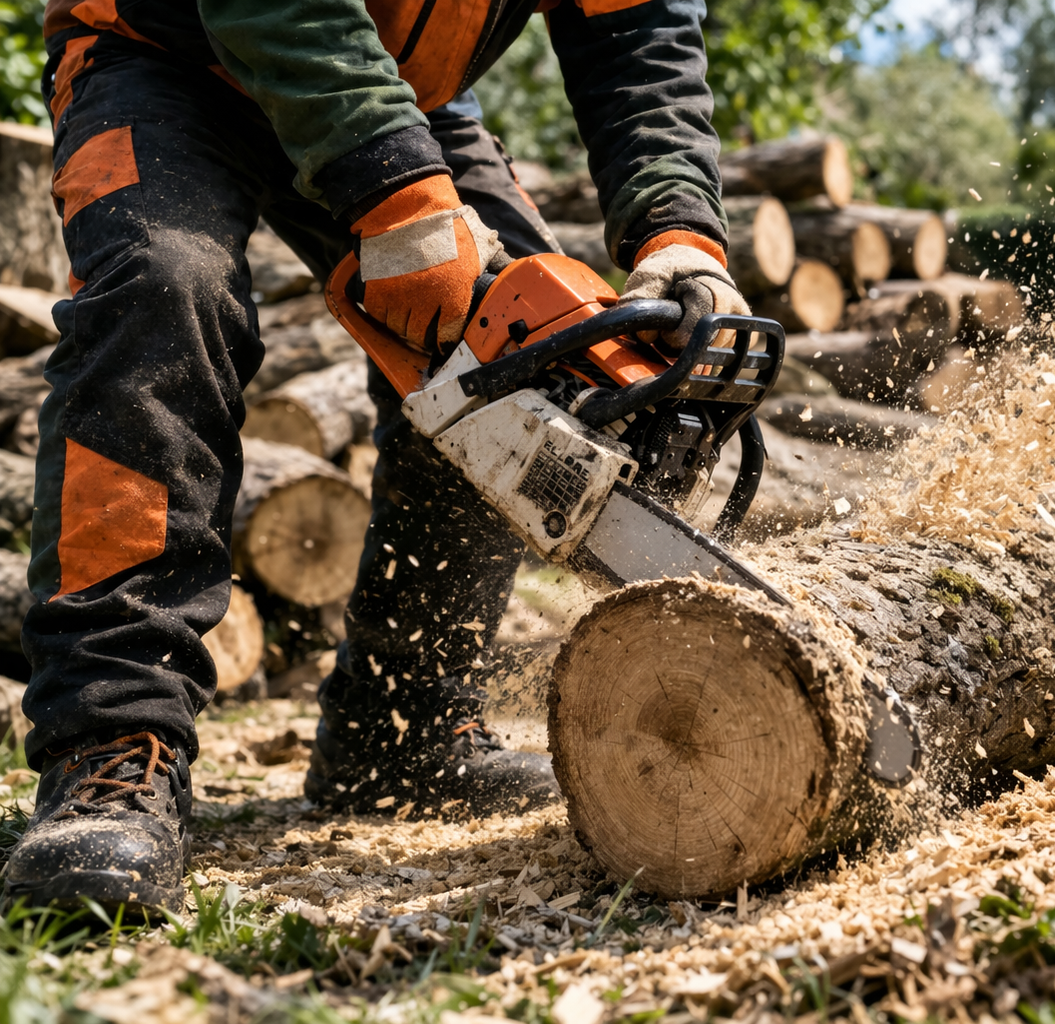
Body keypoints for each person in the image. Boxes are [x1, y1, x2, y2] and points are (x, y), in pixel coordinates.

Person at [2, 0, 748, 914]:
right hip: (162, 53)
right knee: (160, 290)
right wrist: (396, 194)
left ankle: (404, 731)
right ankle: (110, 751)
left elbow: (634, 34)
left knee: (517, 347)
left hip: (401, 94)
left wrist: (678, 229)